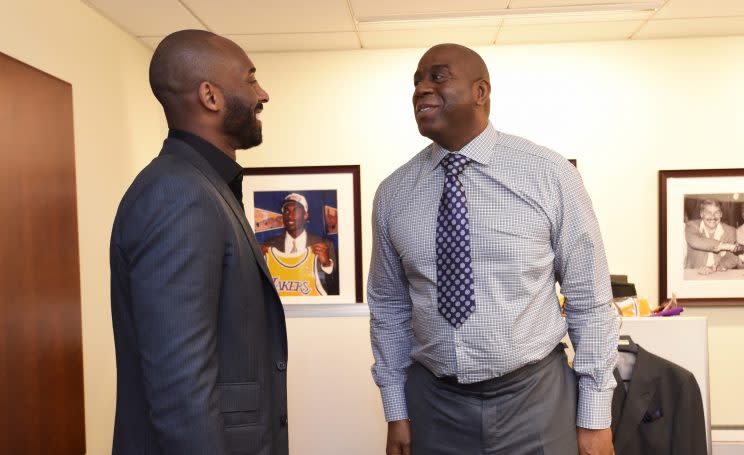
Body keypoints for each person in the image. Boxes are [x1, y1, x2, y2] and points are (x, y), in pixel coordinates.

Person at [368, 43, 619, 455]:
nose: (420, 89)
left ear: (480, 92)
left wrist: (595, 417)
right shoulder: (394, 194)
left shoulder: (549, 175)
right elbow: (388, 307)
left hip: (536, 399)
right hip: (435, 404)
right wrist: (396, 410)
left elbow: (590, 301)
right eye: (416, 80)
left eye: (437, 76)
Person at [109, 30, 288, 454]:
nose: (263, 93)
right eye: (250, 79)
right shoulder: (178, 194)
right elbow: (180, 383)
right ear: (210, 96)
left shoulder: (204, 187)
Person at [261, 193, 339, 295]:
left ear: (306, 215)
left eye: (295, 210)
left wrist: (326, 264)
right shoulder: (269, 245)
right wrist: (259, 263)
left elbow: (335, 289)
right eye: (286, 211)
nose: (289, 215)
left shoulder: (325, 245)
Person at [684, 199, 739, 274]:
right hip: (694, 274)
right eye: (708, 212)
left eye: (717, 212)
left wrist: (715, 267)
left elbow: (733, 257)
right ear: (701, 214)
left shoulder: (730, 230)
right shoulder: (692, 226)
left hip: (718, 274)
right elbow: (695, 241)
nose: (713, 216)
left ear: (721, 214)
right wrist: (727, 246)